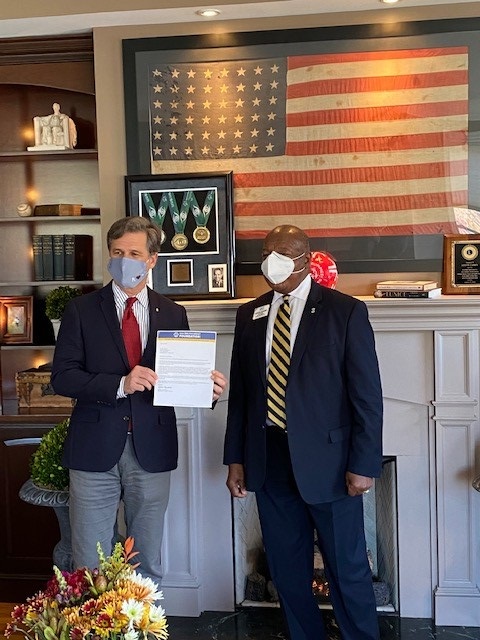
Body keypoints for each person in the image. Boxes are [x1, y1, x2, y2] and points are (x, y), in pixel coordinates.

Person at [224, 225, 383, 640]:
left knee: (347, 570)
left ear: (305, 259)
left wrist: (364, 464)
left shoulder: (344, 311)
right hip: (268, 460)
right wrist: (235, 459)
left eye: (282, 251)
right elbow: (241, 396)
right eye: (266, 251)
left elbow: (366, 396)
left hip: (330, 466)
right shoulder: (250, 314)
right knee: (288, 572)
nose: (271, 259)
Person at [51, 216, 227, 584]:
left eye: (134, 253)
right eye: (117, 253)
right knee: (89, 562)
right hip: (93, 449)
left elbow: (179, 379)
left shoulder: (173, 312)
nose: (124, 260)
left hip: (152, 447)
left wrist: (205, 390)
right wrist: (120, 383)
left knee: (145, 561)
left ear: (152, 259)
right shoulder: (81, 310)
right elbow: (62, 378)